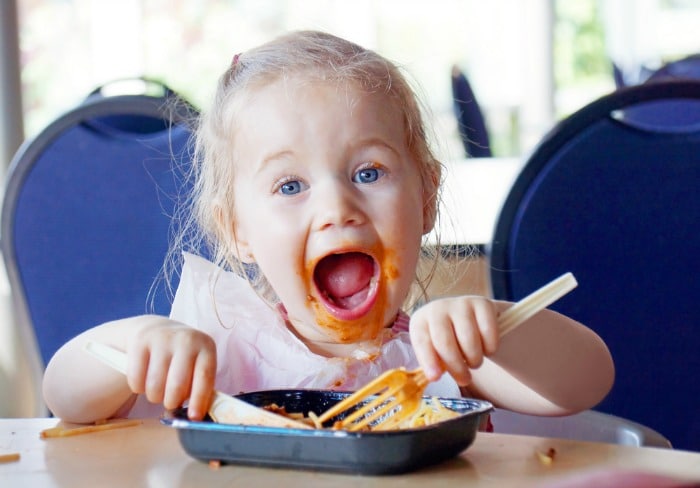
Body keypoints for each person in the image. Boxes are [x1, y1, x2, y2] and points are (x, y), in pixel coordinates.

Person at [43, 30, 614, 424]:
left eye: (369, 172)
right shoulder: (215, 357)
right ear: (237, 228)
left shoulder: (436, 361)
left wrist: (493, 328)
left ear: (426, 199)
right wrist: (137, 342)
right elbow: (63, 396)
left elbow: (585, 382)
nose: (339, 207)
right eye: (290, 186)